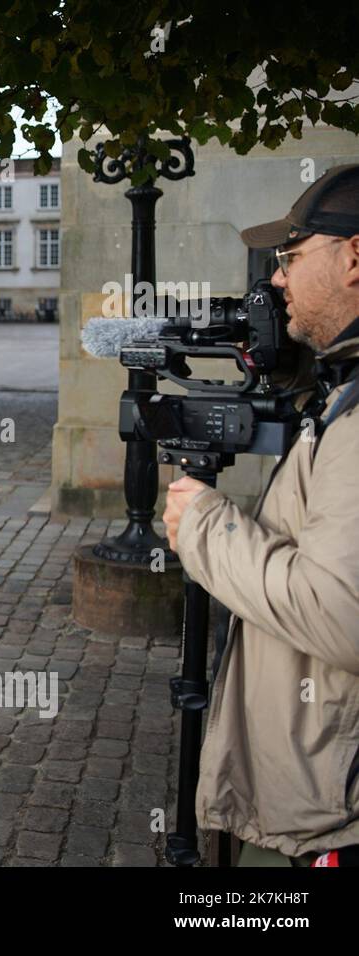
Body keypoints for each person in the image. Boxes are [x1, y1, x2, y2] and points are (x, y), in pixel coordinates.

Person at [163, 163, 359, 866]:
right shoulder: (345, 384)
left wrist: (204, 527)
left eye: (290, 258)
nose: (274, 281)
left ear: (354, 257)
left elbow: (340, 614)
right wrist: (288, 363)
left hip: (336, 811)